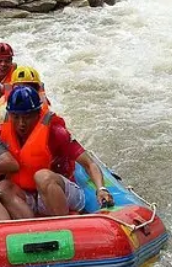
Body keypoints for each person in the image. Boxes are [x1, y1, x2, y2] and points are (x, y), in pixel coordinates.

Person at [0, 85, 113, 220]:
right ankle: (28, 229)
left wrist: (101, 189)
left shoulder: (56, 132)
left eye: (27, 117)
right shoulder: (4, 134)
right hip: (27, 197)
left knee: (42, 176)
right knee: (3, 187)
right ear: (9, 115)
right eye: (16, 117)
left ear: (37, 114)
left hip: (62, 192)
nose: (21, 123)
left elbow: (89, 164)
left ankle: (64, 226)